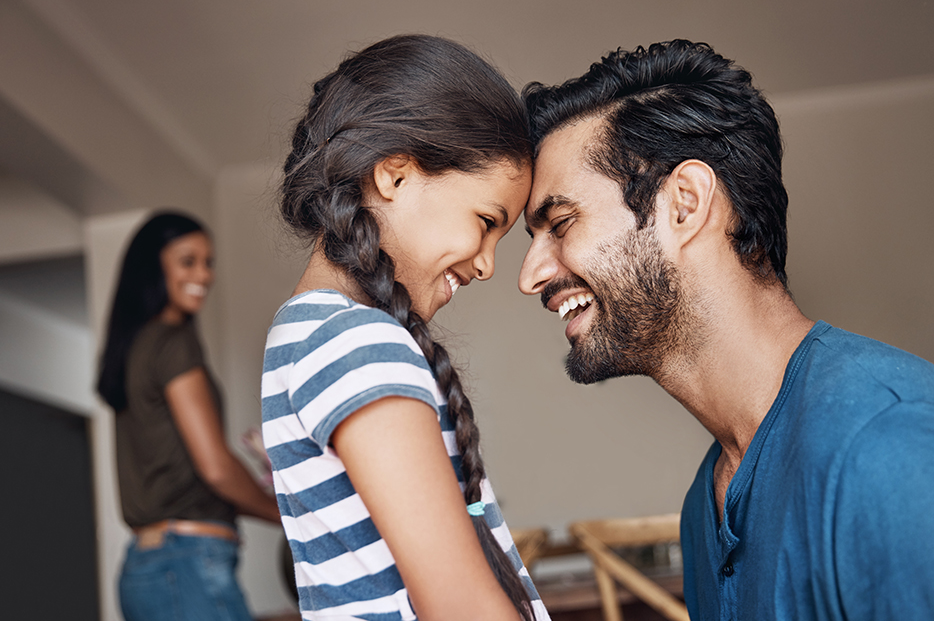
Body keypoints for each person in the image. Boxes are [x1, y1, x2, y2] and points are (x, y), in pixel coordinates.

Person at [518, 40, 934, 620]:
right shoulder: (704, 505)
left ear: (684, 205)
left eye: (560, 223)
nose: (530, 274)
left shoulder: (890, 448)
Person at [260, 35, 549, 621]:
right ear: (393, 176)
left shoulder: (312, 332)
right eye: (486, 221)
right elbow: (458, 603)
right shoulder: (352, 342)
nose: (488, 264)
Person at [97, 212, 281, 621]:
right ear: (153, 267)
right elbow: (215, 467)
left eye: (208, 261)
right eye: (188, 260)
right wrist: (284, 514)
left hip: (146, 568)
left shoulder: (136, 347)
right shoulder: (173, 343)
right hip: (186, 563)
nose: (204, 274)